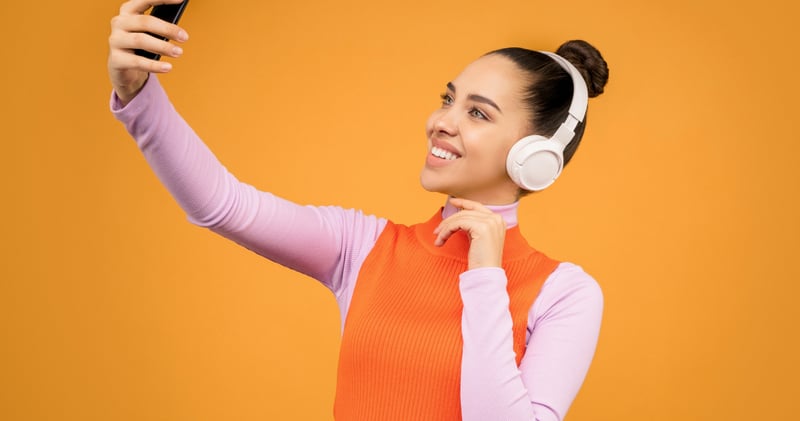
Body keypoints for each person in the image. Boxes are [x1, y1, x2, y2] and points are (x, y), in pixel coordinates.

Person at [107, 1, 609, 419]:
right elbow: (223, 205)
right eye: (448, 99)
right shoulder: (363, 247)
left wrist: (484, 279)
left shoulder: (565, 295)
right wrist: (138, 95)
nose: (440, 121)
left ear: (536, 157)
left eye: (477, 113)